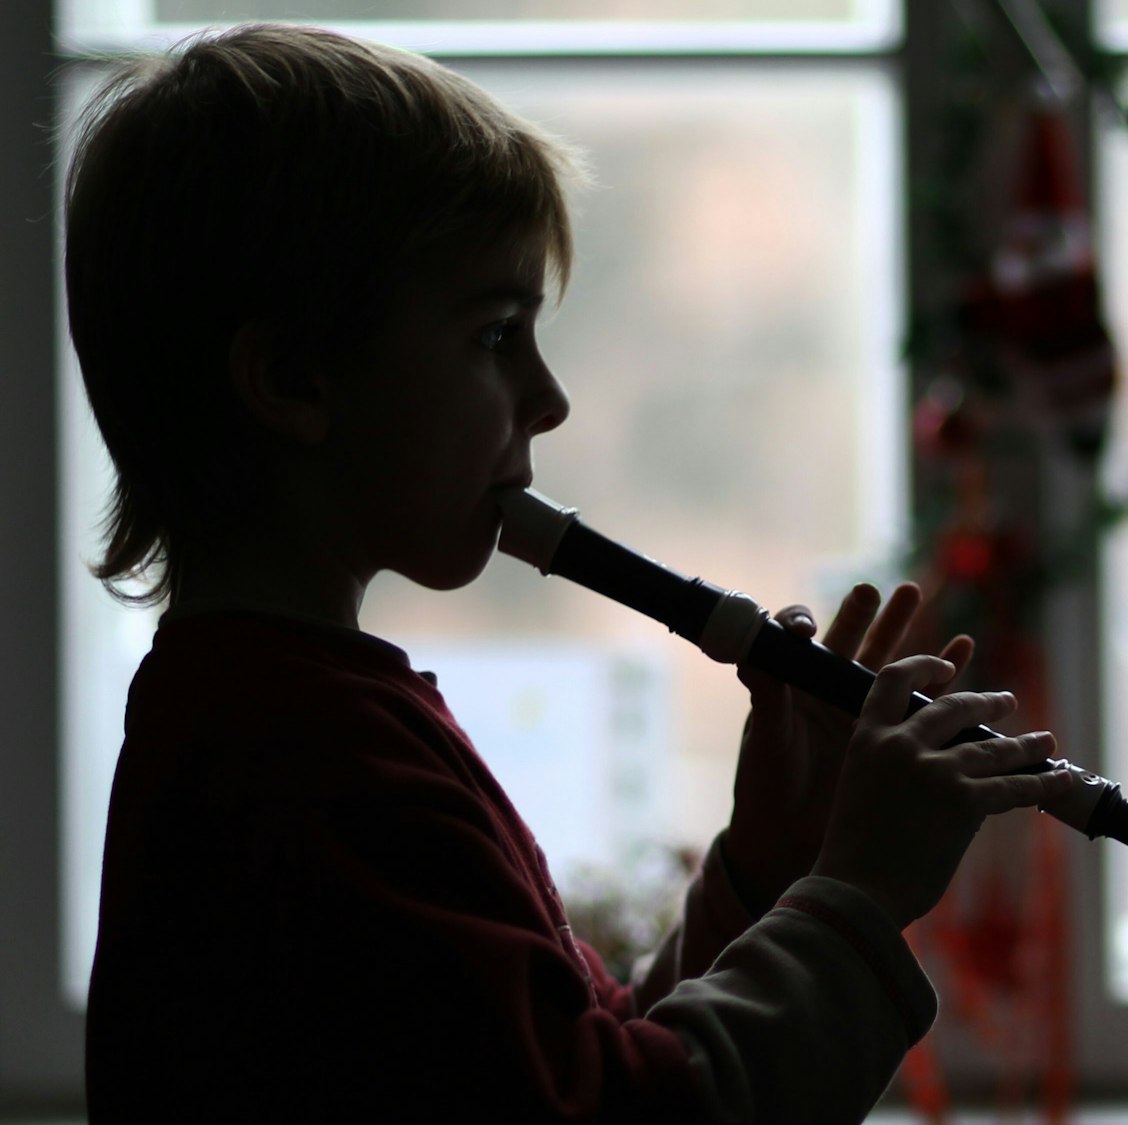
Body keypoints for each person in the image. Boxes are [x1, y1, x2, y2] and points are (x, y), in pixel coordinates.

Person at [65, 23, 1075, 1124]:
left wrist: (769, 861)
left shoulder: (290, 714)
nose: (547, 399)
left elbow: (572, 1066)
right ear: (294, 380)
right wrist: (862, 891)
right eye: (497, 336)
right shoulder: (304, 761)